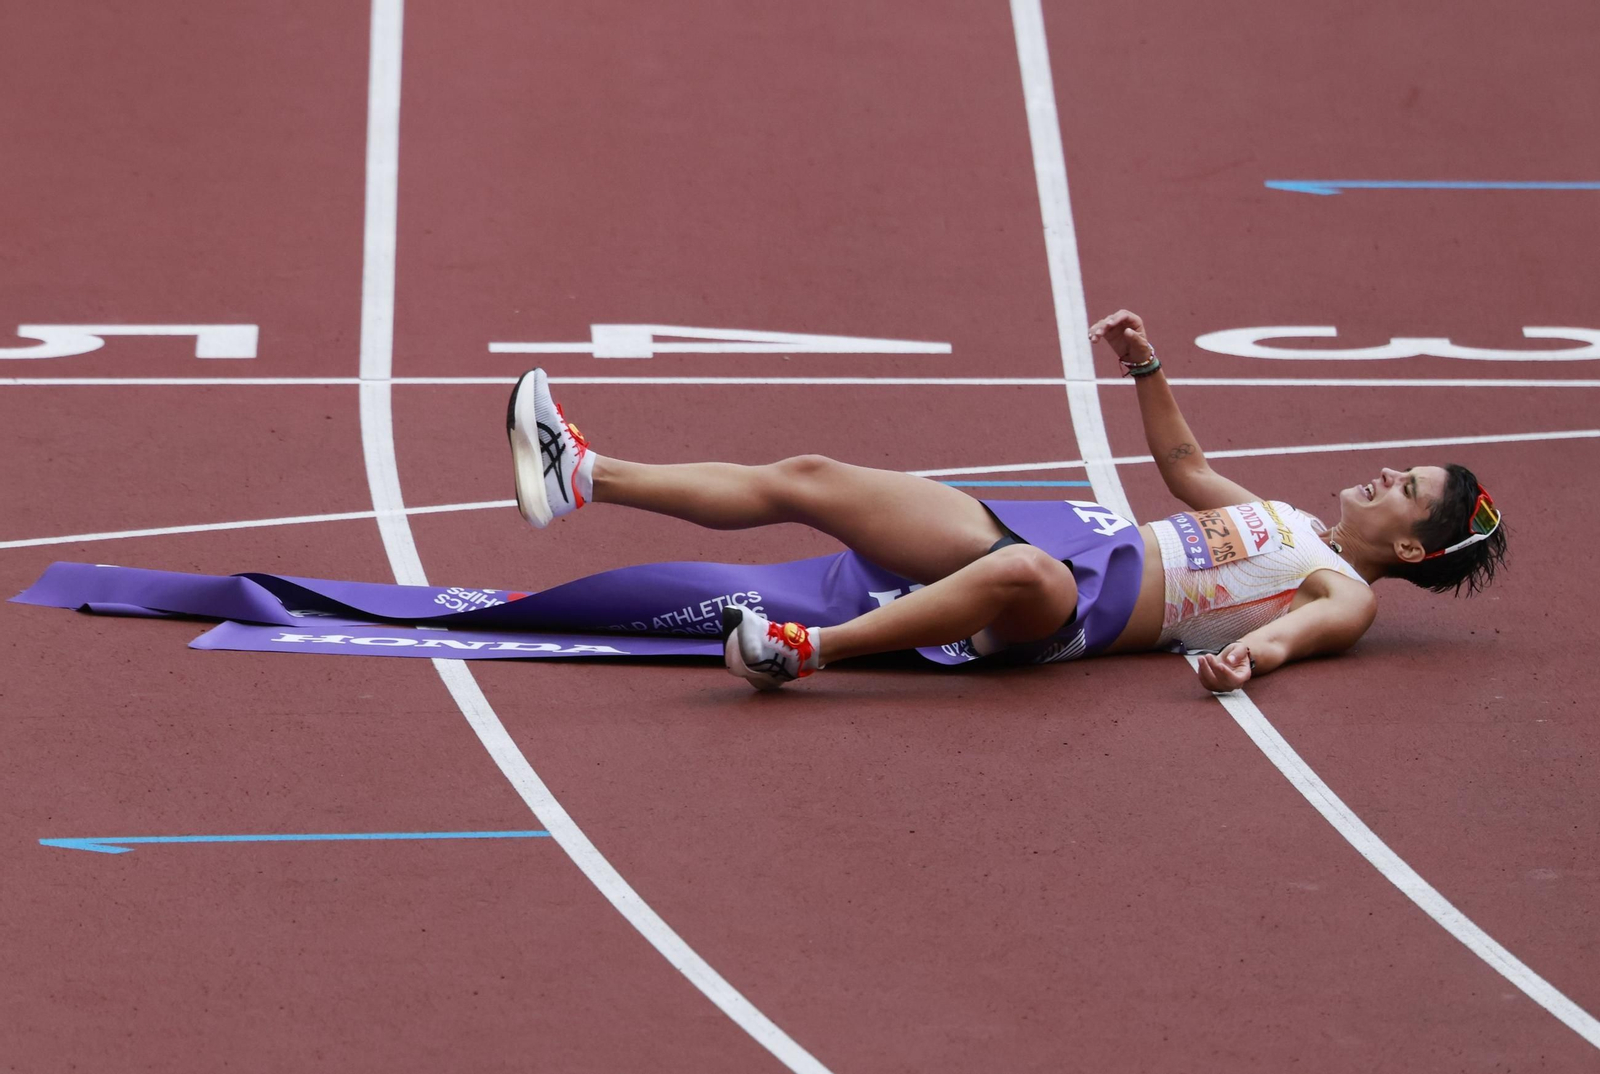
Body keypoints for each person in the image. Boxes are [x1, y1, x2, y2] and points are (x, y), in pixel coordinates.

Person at [505, 310, 1507, 693]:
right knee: (813, 474)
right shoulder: (1288, 517)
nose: (1385, 477)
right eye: (1400, 469)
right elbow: (1187, 465)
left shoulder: (1346, 589)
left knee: (1020, 574)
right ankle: (586, 475)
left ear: (1414, 549)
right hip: (1062, 536)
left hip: (1074, 612)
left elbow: (1306, 635)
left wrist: (1251, 657)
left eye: (1404, 490)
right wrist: (1145, 362)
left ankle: (804, 655)